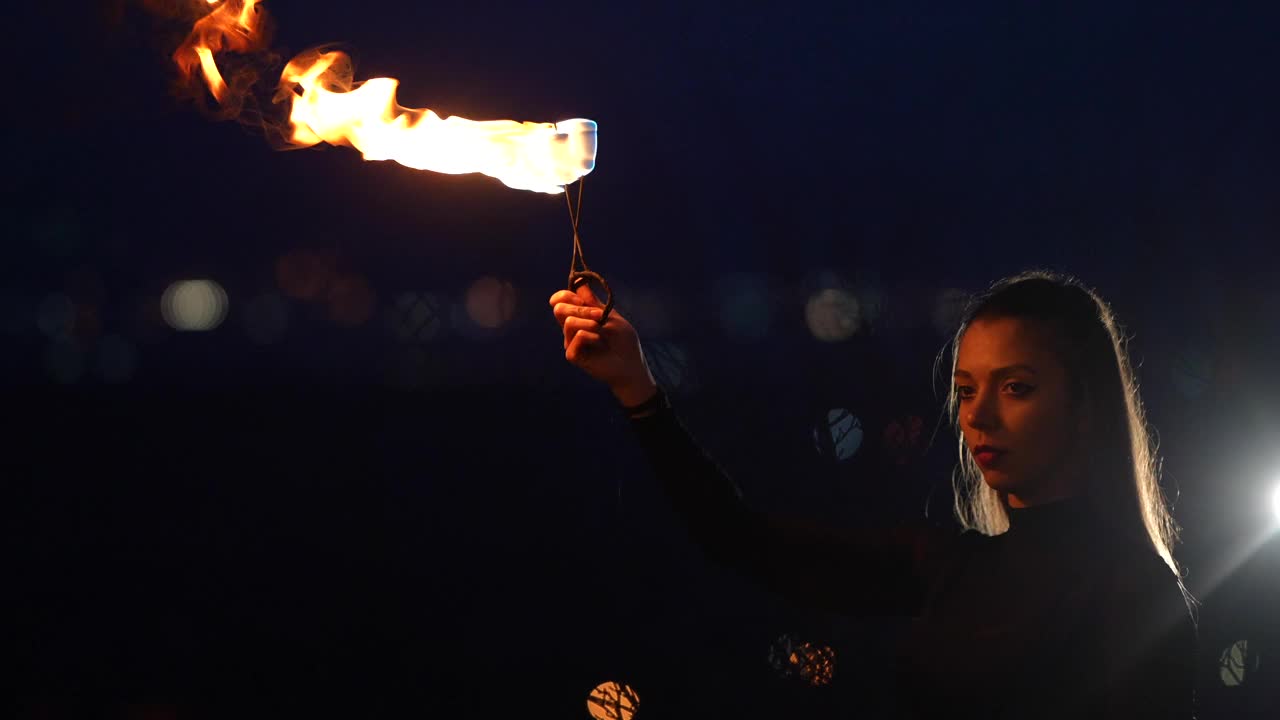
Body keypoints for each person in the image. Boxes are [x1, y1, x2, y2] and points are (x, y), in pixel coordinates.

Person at [548, 270, 1197, 719]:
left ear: (1087, 405)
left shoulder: (1135, 594)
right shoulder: (948, 567)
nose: (978, 417)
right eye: (966, 390)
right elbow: (737, 537)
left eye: (1016, 387)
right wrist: (636, 390)